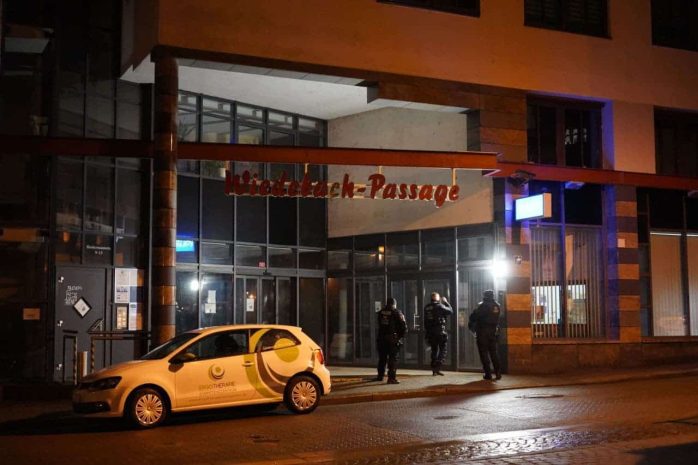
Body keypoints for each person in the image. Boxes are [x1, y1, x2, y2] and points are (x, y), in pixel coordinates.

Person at [469, 289, 502, 380]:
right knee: (494, 353)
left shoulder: (483, 306)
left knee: (483, 353)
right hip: (493, 332)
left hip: (483, 332)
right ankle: (498, 373)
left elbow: (474, 316)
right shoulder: (497, 306)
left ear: (485, 296)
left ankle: (488, 374)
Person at [375, 297, 407, 384]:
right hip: (392, 339)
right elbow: (403, 327)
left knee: (382, 358)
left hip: (381, 339)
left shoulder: (381, 312)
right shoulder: (397, 312)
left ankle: (380, 376)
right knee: (393, 359)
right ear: (394, 304)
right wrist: (399, 337)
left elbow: (380, 325)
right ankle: (391, 378)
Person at [423, 291, 453, 376]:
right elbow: (450, 311)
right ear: (437, 298)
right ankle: (437, 367)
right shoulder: (439, 306)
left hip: (431, 332)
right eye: (439, 297)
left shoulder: (427, 307)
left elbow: (425, 321)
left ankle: (434, 369)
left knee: (434, 350)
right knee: (443, 350)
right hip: (439, 332)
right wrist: (446, 302)